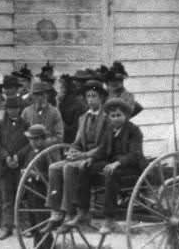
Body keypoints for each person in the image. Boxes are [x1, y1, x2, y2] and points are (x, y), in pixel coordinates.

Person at [47, 80, 109, 227]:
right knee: (54, 167)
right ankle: (56, 211)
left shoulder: (107, 118)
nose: (91, 100)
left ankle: (70, 211)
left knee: (69, 167)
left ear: (101, 98)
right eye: (88, 96)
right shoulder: (84, 118)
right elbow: (77, 142)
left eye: (94, 96)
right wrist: (72, 151)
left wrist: (84, 156)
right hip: (82, 156)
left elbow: (105, 146)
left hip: (99, 158)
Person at [95, 98, 145, 235]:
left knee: (112, 173)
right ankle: (81, 209)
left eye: (119, 115)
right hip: (114, 165)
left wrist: (117, 163)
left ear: (126, 116)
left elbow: (135, 154)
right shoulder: (110, 130)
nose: (116, 119)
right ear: (109, 117)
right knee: (87, 167)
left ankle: (109, 218)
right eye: (113, 116)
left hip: (132, 168)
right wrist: (88, 159)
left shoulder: (134, 131)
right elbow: (102, 150)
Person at [0, 95, 28, 241]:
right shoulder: (1, 124)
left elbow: (29, 143)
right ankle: (7, 226)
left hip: (20, 165)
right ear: (6, 110)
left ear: (19, 109)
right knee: (7, 198)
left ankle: (24, 225)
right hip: (5, 166)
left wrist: (18, 156)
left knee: (23, 196)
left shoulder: (25, 124)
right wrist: (6, 156)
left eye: (16, 108)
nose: (13, 111)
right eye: (10, 108)